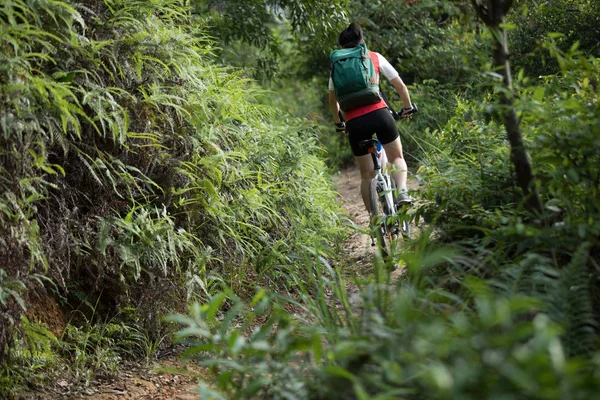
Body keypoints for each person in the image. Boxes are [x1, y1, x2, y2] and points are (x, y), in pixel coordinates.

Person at [329, 23, 416, 214]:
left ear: (342, 46)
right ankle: (402, 192)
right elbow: (401, 87)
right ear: (362, 40)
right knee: (396, 157)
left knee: (367, 176)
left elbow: (332, 101)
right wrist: (407, 108)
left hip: (354, 122)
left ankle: (374, 221)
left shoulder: (337, 65)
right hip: (380, 114)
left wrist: (340, 123)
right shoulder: (374, 57)